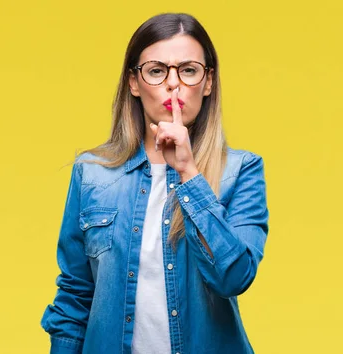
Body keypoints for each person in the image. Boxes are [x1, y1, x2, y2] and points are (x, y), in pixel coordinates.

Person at [40, 13, 269, 354]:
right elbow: (74, 297)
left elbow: (233, 276)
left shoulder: (241, 171)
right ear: (134, 82)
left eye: (189, 70)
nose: (173, 84)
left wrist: (189, 173)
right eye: (157, 70)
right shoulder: (92, 174)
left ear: (208, 83)